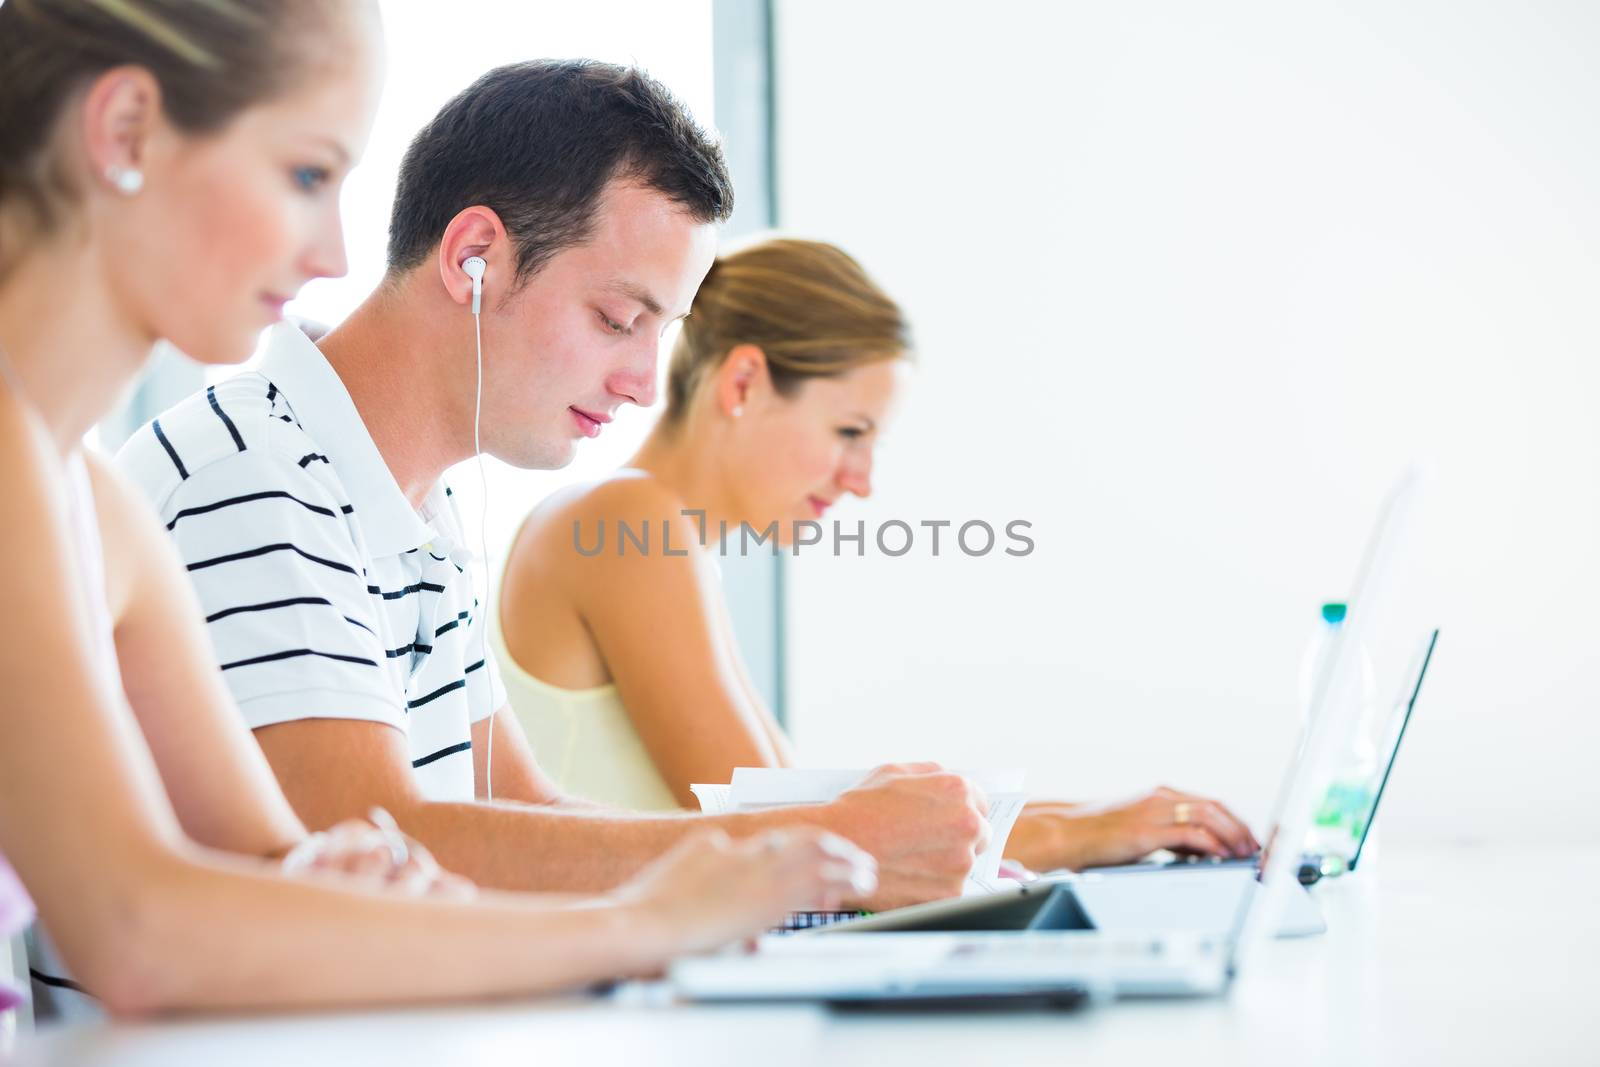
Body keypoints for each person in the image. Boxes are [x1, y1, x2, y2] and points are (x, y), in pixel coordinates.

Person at [0, 0, 871, 1021]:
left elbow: (289, 870)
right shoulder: (224, 475)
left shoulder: (93, 499)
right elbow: (144, 929)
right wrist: (651, 917)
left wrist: (355, 881)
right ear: (126, 133)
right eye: (306, 175)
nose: (332, 249)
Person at [115, 59, 988, 911]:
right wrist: (815, 850)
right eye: (617, 320)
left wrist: (803, 859)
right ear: (475, 258)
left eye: (661, 334)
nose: (646, 381)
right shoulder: (254, 478)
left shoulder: (421, 509)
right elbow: (377, 836)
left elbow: (521, 811)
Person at [497, 237, 1261, 872]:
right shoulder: (628, 523)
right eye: (849, 432)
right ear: (744, 382)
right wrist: (1084, 833)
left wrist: (1099, 819)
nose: (861, 481)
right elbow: (805, 836)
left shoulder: (661, 538)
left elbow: (829, 816)